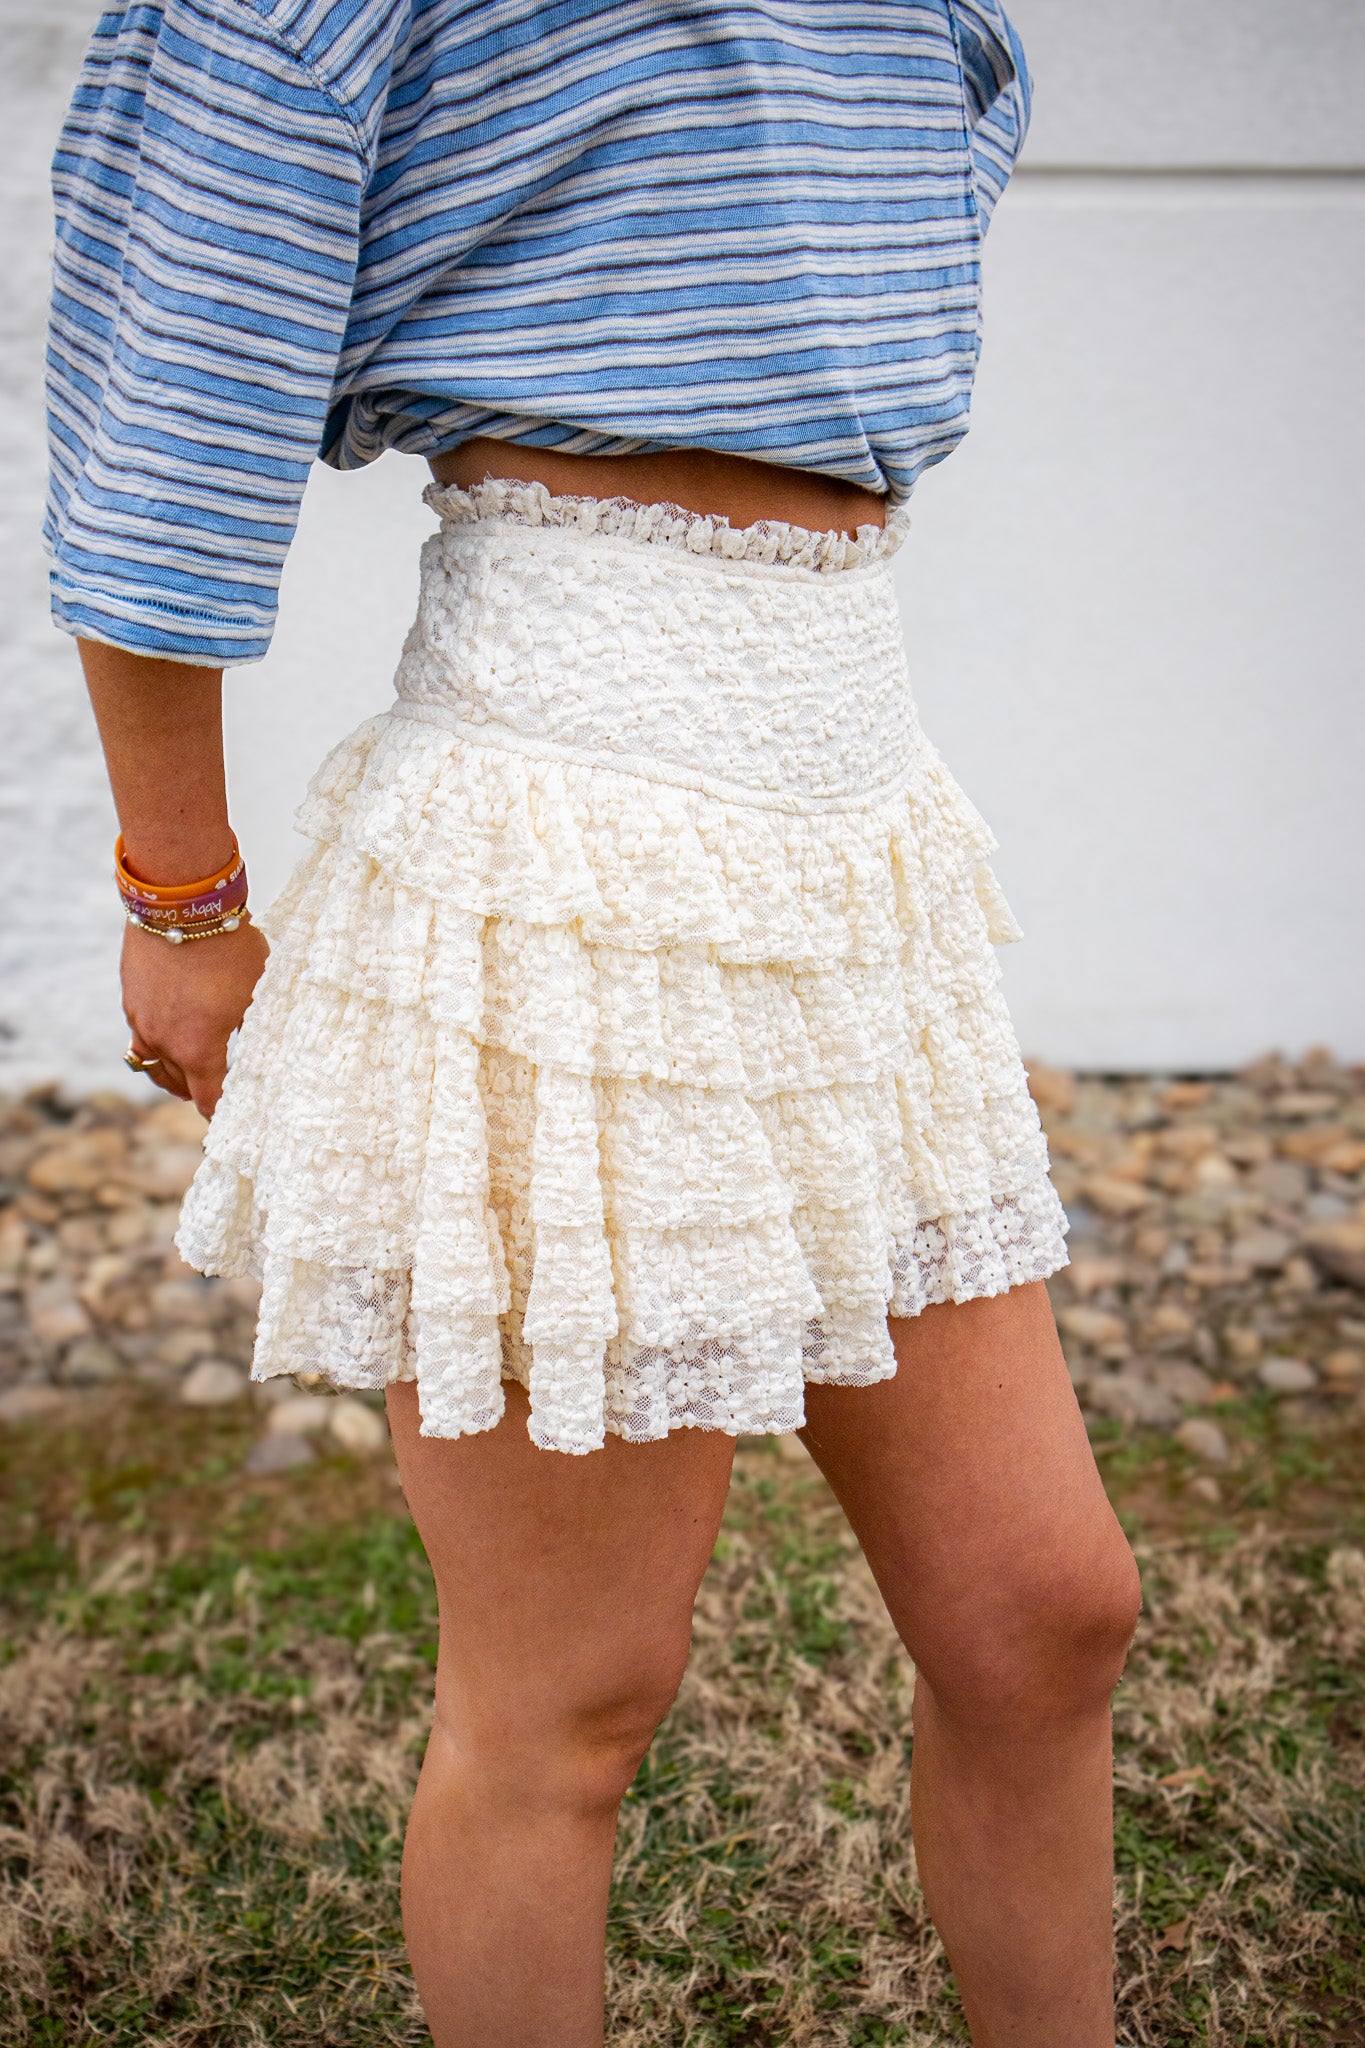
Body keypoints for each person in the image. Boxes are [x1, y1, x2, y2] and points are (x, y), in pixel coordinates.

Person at [47, 3, 1141, 2041]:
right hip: (556, 827)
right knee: (569, 1699)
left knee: (1044, 1614)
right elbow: (167, 383)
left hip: (851, 814)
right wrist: (177, 889)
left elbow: (925, 162)